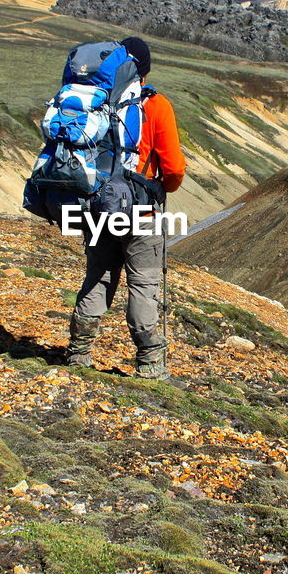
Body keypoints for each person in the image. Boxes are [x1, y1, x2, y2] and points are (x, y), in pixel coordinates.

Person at [65, 37, 185, 379]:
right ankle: (150, 364)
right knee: (143, 283)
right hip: (141, 212)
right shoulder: (156, 106)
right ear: (144, 69)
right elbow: (174, 168)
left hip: (96, 208)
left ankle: (78, 354)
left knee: (99, 277)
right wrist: (162, 187)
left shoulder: (95, 102)